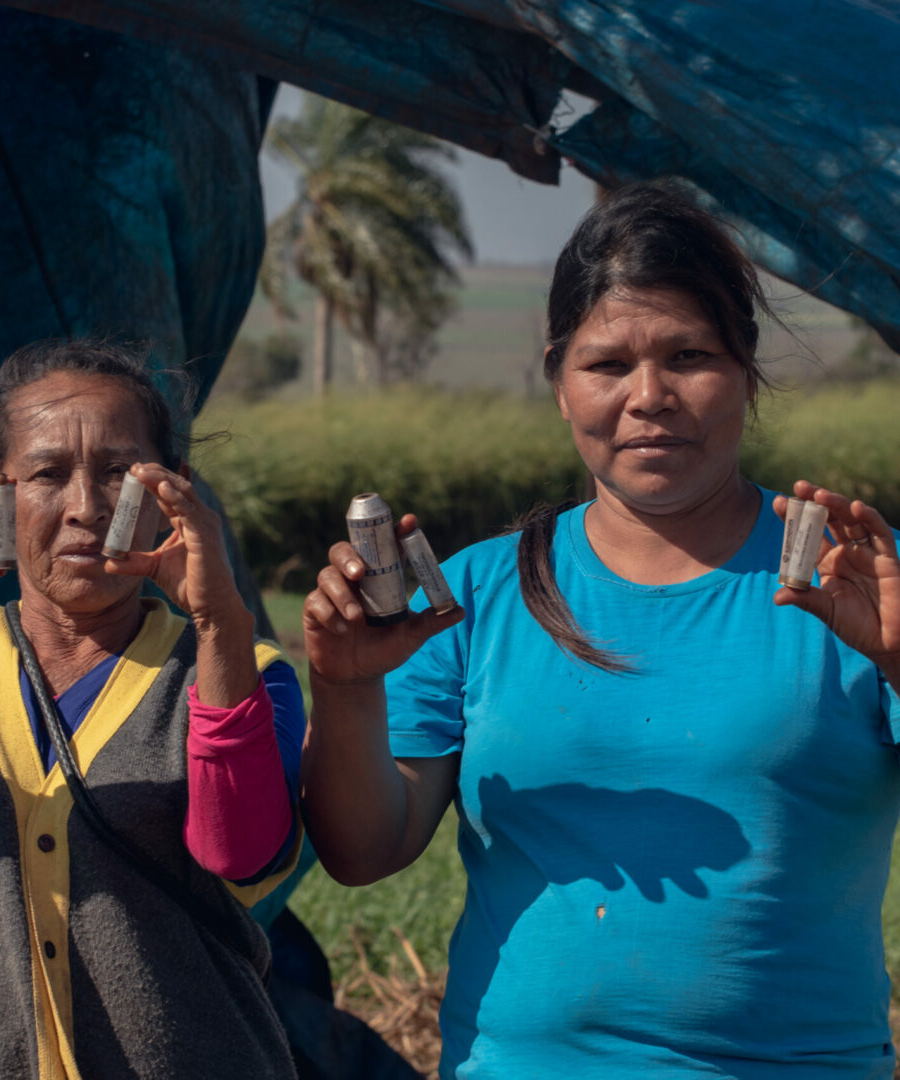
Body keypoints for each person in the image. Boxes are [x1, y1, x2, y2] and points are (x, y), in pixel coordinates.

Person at [300, 182, 900, 1078]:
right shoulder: (471, 596)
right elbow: (362, 852)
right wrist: (346, 688)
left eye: (690, 355)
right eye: (608, 364)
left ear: (745, 370)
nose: (649, 396)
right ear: (558, 381)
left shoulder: (854, 586)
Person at [0, 340, 303, 1079]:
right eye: (48, 474)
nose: (86, 507)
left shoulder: (240, 671)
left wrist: (221, 624)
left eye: (119, 472)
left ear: (171, 495)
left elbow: (241, 853)